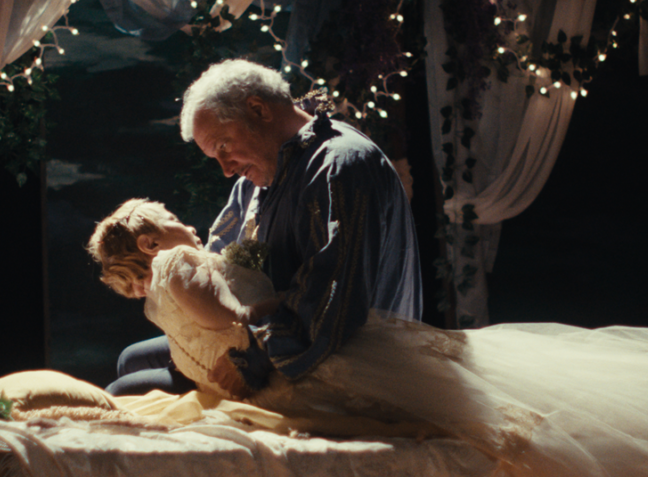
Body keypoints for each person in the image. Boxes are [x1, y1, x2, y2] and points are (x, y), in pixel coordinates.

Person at [89, 198, 648, 477]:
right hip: (298, 366)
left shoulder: (155, 301)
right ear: (151, 238)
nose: (184, 222)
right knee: (479, 386)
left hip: (275, 379)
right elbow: (238, 317)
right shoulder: (180, 264)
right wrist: (265, 308)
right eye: (171, 216)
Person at [107, 58, 422, 396]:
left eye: (223, 147)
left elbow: (333, 300)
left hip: (338, 358)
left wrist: (253, 356)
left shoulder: (341, 166)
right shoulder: (256, 178)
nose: (225, 169)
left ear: (258, 110)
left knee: (124, 391)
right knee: (132, 360)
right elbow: (219, 261)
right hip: (262, 329)